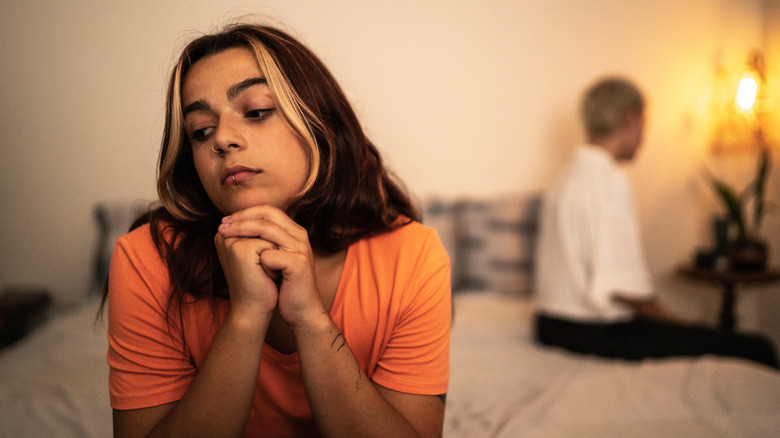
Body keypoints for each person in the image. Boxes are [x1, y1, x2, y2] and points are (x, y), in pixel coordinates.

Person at [103, 23, 451, 437]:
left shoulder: (413, 255)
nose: (224, 140)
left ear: (321, 124)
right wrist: (247, 317)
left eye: (256, 112)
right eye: (201, 131)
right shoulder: (146, 259)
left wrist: (310, 319)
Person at [533, 77, 777, 368]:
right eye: (644, 125)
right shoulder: (608, 181)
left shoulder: (564, 178)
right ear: (629, 120)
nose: (644, 138)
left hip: (548, 325)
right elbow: (623, 290)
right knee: (757, 347)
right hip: (591, 331)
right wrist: (679, 324)